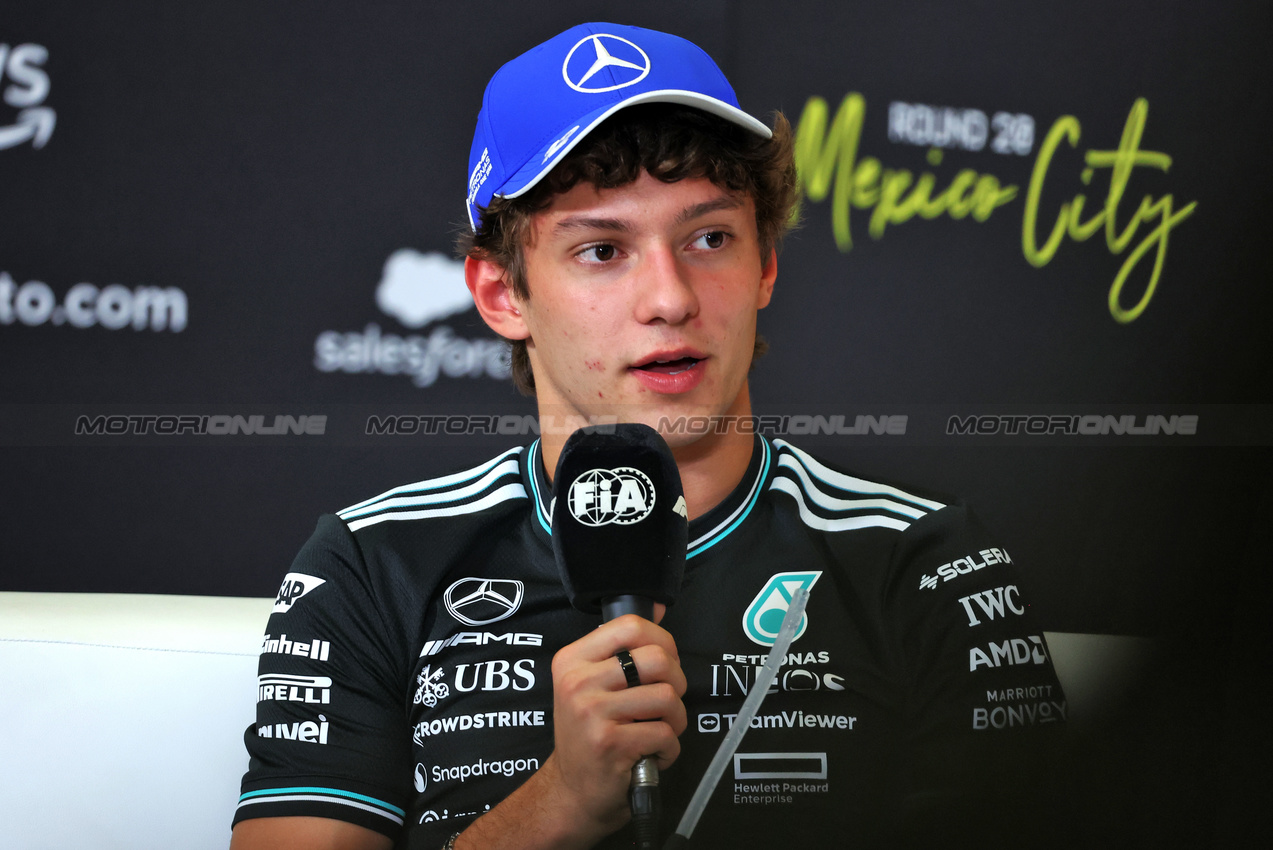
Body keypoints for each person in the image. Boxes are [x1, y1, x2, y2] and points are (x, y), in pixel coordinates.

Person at [230, 22, 1066, 850]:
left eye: (709, 238)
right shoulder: (376, 562)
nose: (669, 298)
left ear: (765, 264)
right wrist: (557, 804)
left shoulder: (922, 559)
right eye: (601, 249)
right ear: (499, 295)